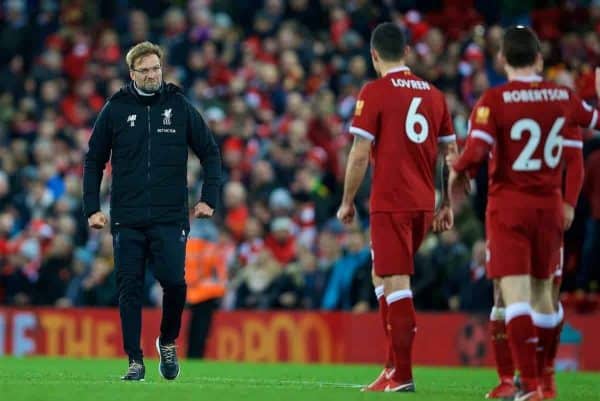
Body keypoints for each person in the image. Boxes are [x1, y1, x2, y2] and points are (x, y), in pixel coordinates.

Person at [448, 26, 597, 401]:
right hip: (548, 207)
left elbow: (476, 153)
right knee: (545, 296)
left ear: (501, 59)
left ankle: (528, 384)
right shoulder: (563, 96)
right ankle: (543, 384)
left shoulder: (493, 101)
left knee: (513, 296)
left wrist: (456, 164)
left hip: (509, 207)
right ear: (540, 59)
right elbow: (594, 121)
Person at [82, 41, 222, 381]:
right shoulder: (115, 109)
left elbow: (210, 153)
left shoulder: (179, 106)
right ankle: (134, 360)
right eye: (144, 70)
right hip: (127, 217)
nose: (151, 75)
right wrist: (92, 209)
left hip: (170, 215)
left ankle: (168, 340)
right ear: (132, 74)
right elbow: (93, 160)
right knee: (128, 287)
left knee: (175, 283)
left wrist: (209, 199)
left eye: (156, 69)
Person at [336, 22, 457, 392]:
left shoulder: (374, 92)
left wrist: (346, 201)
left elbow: (359, 155)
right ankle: (391, 367)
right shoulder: (435, 95)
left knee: (397, 282)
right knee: (381, 276)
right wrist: (447, 202)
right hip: (423, 203)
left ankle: (402, 374)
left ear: (374, 56)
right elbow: (451, 154)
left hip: (390, 202)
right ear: (406, 52)